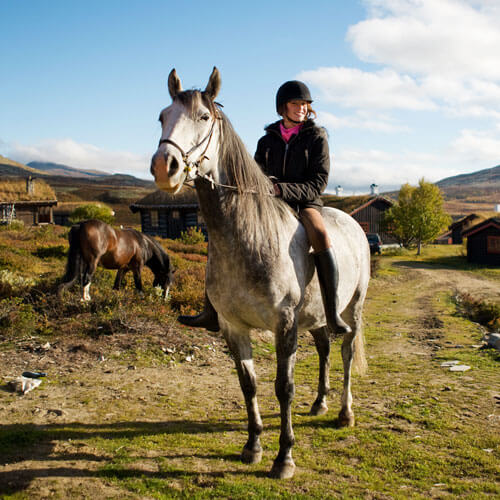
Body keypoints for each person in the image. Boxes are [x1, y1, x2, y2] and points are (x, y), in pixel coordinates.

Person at [178, 80, 350, 334]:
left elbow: (318, 182)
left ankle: (333, 313)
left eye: (305, 104)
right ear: (283, 107)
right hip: (268, 204)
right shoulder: (267, 140)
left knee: (320, 234)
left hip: (304, 203)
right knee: (222, 237)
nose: (301, 108)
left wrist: (282, 189)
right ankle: (211, 311)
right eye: (296, 103)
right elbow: (255, 173)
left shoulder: (317, 138)